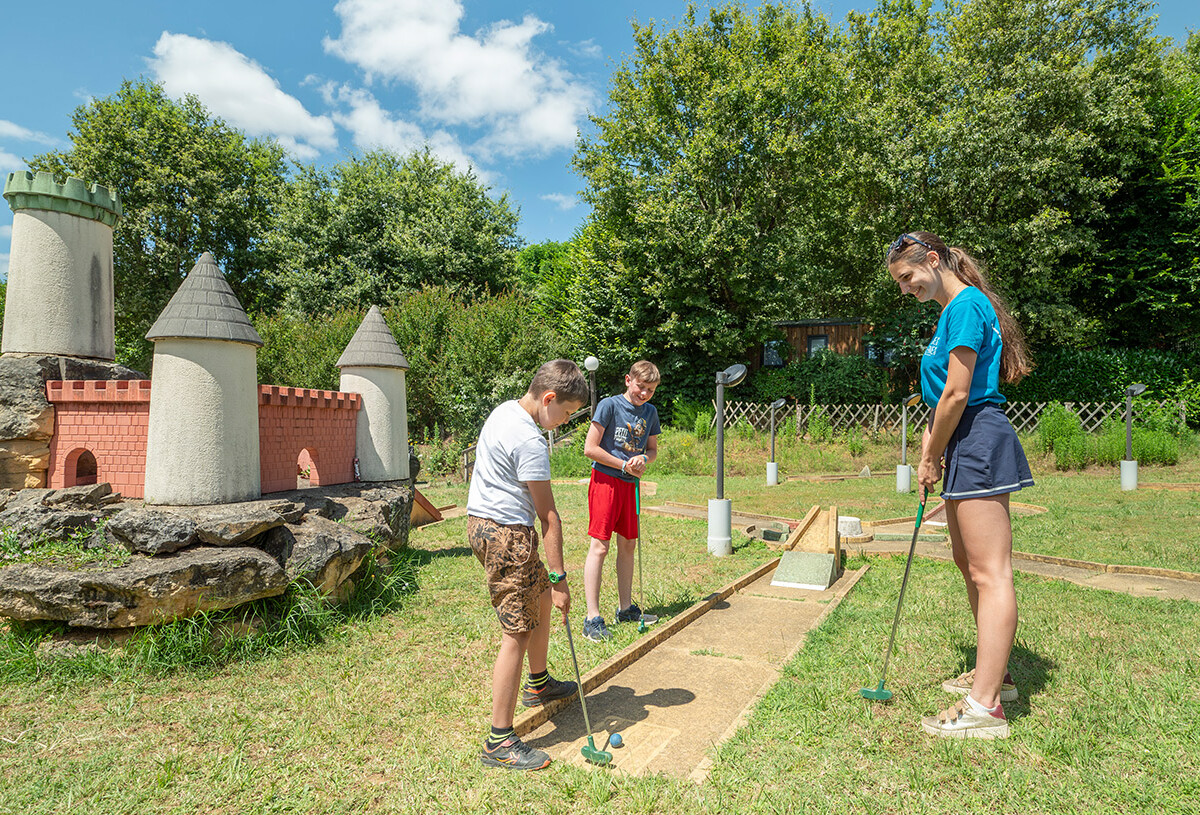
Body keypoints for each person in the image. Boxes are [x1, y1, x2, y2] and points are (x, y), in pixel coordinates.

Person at [886, 232, 1034, 740]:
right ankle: (999, 675)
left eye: (907, 277)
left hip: (976, 435)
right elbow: (939, 399)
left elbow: (956, 392)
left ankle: (985, 707)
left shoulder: (968, 304)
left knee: (991, 571)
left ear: (932, 259)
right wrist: (935, 446)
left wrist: (929, 455)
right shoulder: (951, 312)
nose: (905, 289)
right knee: (967, 562)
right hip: (959, 439)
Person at [466, 359, 589, 770]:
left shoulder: (504, 410)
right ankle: (499, 740)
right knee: (516, 631)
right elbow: (549, 516)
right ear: (549, 398)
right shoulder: (531, 441)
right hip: (507, 536)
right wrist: (560, 579)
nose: (565, 421)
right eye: (567, 413)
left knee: (535, 599)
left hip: (482, 524)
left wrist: (547, 585)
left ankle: (537, 685)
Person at [581, 360, 662, 641]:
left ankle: (625, 608)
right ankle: (592, 618)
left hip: (631, 485)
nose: (644, 394)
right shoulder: (609, 405)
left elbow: (651, 450)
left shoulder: (650, 412)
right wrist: (622, 465)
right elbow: (589, 448)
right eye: (641, 387)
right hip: (605, 481)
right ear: (628, 380)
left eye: (650, 390)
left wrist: (643, 459)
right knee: (600, 547)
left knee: (628, 544)